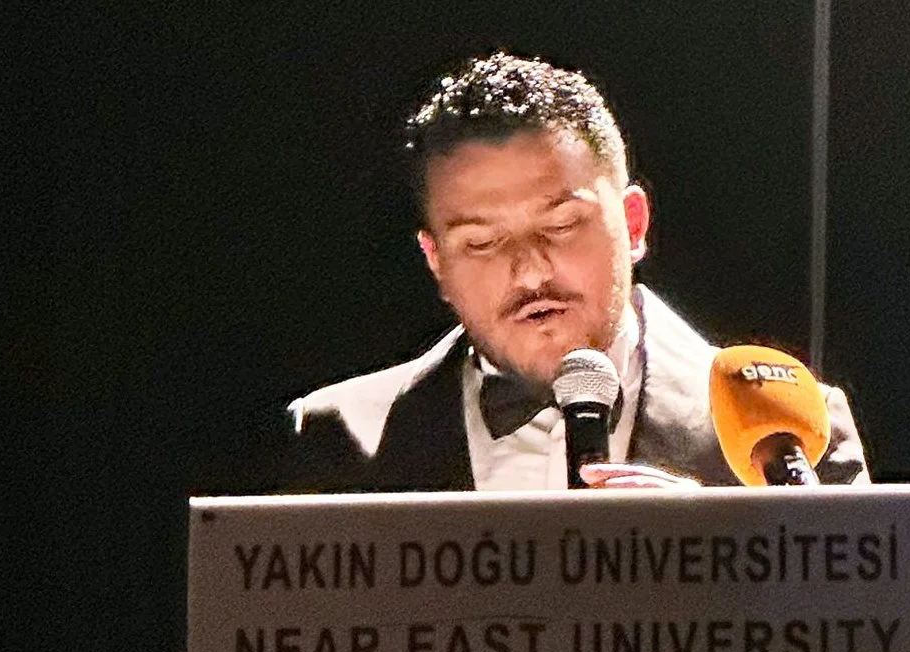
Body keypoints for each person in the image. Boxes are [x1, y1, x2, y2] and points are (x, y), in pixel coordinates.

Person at [284, 51, 870, 491]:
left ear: (633, 224)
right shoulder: (337, 437)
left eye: (561, 224)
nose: (528, 270)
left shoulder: (790, 438)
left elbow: (876, 621)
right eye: (482, 242)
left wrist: (714, 554)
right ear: (436, 261)